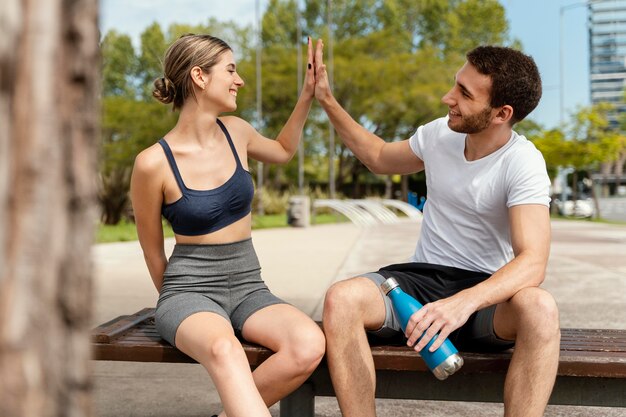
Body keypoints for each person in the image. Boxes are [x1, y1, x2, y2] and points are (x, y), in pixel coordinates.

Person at [313, 39, 559, 417]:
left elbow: (533, 263)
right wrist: (327, 101)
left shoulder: (523, 162)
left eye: (464, 93)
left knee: (540, 308)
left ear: (500, 113)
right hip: (420, 282)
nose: (448, 98)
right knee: (341, 299)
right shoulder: (439, 134)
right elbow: (379, 157)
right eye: (455, 84)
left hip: (484, 297)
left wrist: (462, 304)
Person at [130, 34, 325, 417]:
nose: (240, 81)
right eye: (231, 70)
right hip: (189, 290)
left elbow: (284, 151)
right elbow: (151, 250)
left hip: (249, 285)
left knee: (308, 343)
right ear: (200, 76)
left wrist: (307, 95)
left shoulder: (237, 131)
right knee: (225, 349)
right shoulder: (152, 163)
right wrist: (182, 311)